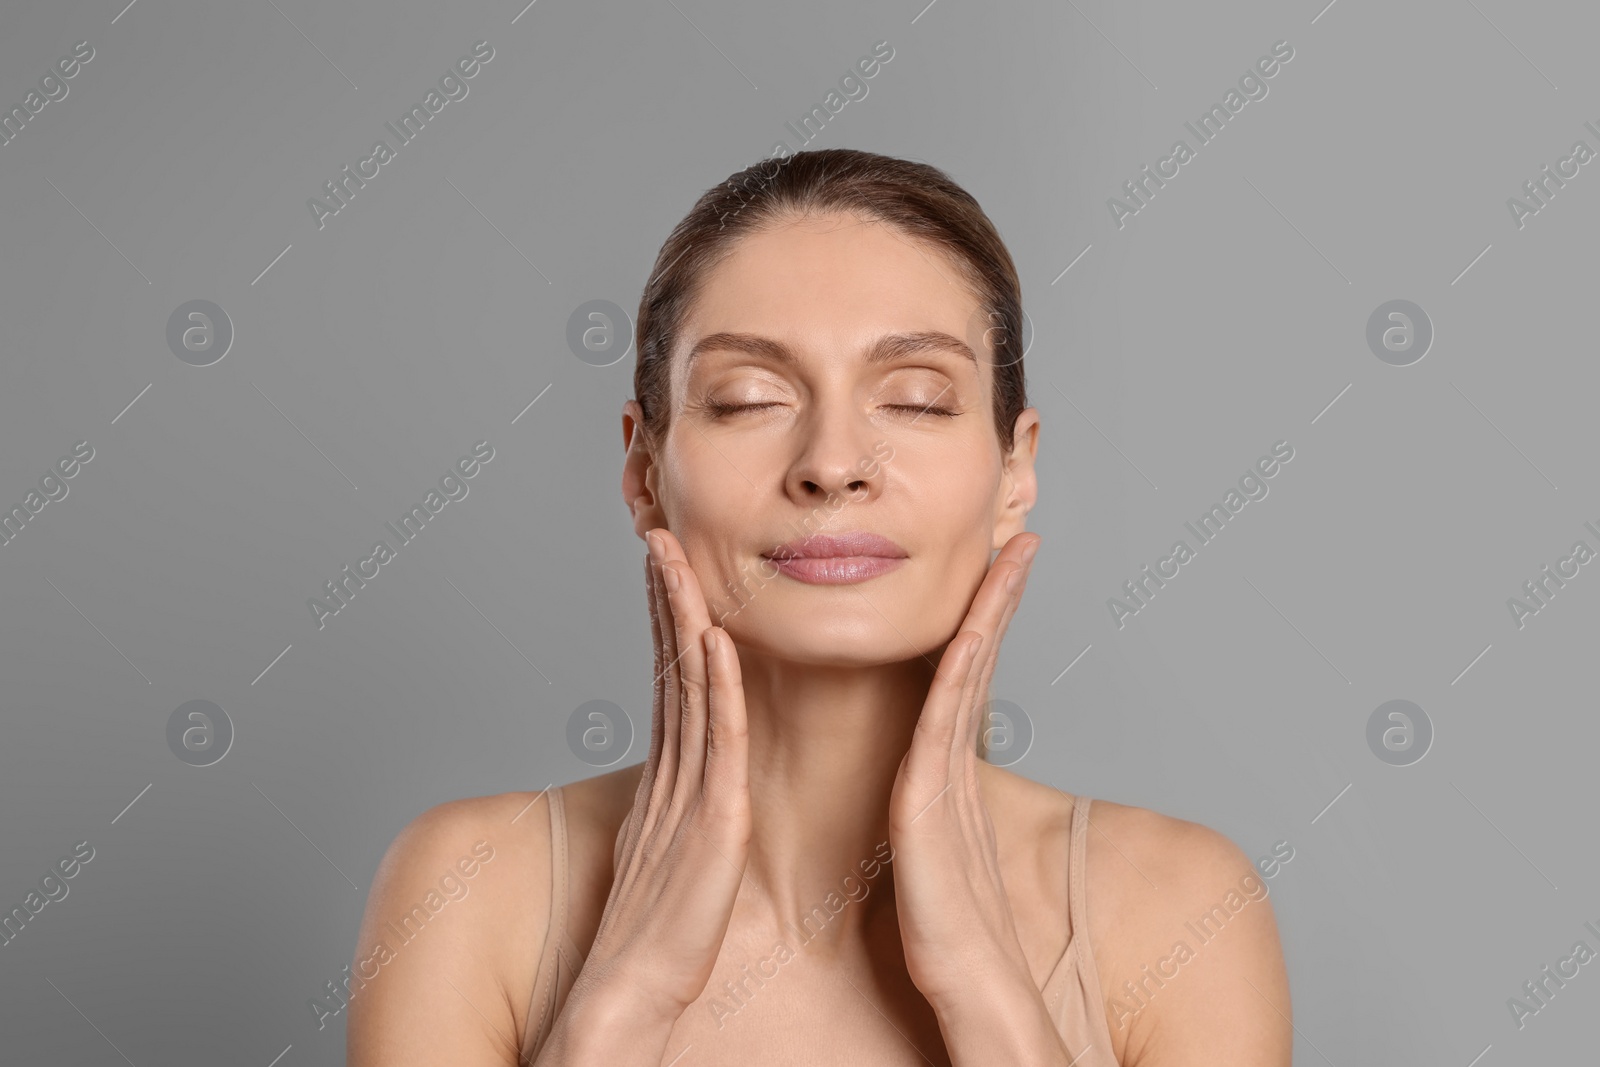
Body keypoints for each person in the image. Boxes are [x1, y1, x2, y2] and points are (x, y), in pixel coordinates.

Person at [347, 148, 1292, 1065]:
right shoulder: (466, 890)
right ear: (642, 468)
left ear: (1015, 468)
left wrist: (981, 979)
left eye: (917, 400)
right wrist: (627, 995)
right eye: (748, 398)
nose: (834, 463)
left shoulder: (1178, 907)